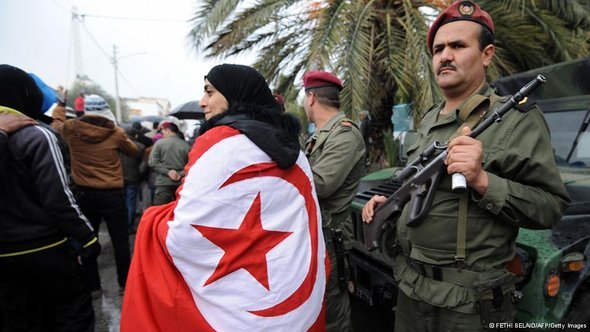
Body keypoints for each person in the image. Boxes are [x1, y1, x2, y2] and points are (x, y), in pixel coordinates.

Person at [361, 2, 570, 331]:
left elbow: (550, 207)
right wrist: (389, 205)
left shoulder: (517, 120)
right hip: (411, 290)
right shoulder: (429, 118)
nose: (445, 55)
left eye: (458, 46)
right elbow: (414, 184)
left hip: (469, 305)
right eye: (438, 49)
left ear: (486, 54)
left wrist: (483, 180)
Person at [121, 64, 327, 331]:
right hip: (286, 287)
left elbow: (184, 232)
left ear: (233, 94)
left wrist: (151, 219)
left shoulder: (217, 141)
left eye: (209, 91)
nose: (203, 102)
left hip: (234, 301)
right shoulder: (296, 151)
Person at [0, 65, 100, 331]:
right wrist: (89, 238)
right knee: (72, 313)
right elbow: (59, 198)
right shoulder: (37, 135)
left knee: (23, 320)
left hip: (5, 257)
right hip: (47, 248)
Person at [52, 93, 139, 296]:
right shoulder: (116, 132)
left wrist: (61, 105)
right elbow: (133, 151)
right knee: (120, 241)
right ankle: (124, 284)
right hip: (113, 195)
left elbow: (55, 126)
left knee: (87, 240)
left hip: (84, 194)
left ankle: (93, 287)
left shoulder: (71, 129)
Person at [303, 70, 365, 331]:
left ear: (311, 97)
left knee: (333, 316)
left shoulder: (344, 134)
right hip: (316, 235)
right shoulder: (319, 135)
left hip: (331, 238)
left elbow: (321, 184)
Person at [148, 121, 190, 205]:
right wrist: (180, 174)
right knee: (178, 210)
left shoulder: (159, 143)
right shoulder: (186, 145)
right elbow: (191, 165)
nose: (162, 133)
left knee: (161, 210)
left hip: (163, 183)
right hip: (180, 184)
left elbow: (152, 162)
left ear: (167, 130)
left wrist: (168, 172)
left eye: (163, 130)